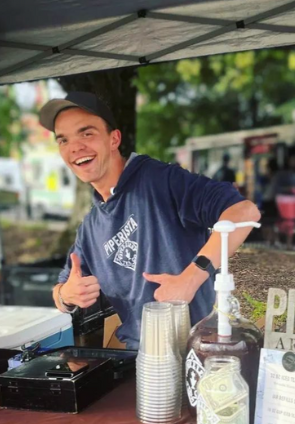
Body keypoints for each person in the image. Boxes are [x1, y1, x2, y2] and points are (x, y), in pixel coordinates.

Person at [40, 91, 260, 349]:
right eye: (63, 140)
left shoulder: (160, 180)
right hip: (138, 360)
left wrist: (192, 277)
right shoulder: (89, 228)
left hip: (198, 348)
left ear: (114, 139)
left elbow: (244, 212)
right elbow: (62, 290)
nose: (75, 147)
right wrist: (66, 294)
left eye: (86, 133)